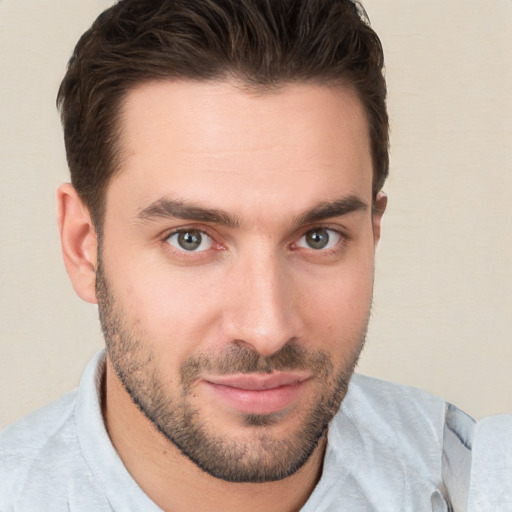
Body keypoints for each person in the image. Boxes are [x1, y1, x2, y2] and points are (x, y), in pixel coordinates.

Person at [0, 1, 510, 511]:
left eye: (318, 237)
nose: (267, 329)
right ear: (83, 244)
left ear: (372, 234)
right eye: (191, 239)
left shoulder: (475, 480)